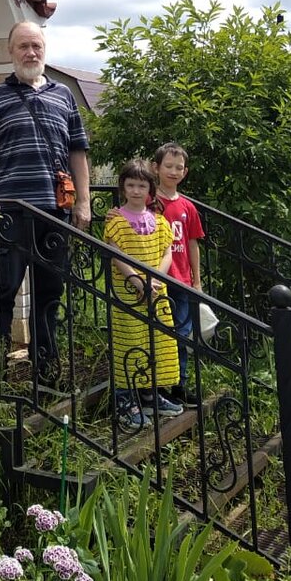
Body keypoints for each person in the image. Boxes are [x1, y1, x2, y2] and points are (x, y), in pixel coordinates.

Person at [0, 21, 91, 385]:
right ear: (11, 51)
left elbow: (78, 152)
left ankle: (47, 374)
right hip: (9, 214)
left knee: (49, 294)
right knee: (1, 293)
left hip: (54, 213)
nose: (31, 53)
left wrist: (83, 203)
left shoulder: (64, 96)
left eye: (36, 46)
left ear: (45, 49)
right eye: (23, 46)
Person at [104, 159, 183, 430]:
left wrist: (156, 279)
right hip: (129, 294)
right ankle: (126, 400)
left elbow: (166, 252)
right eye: (131, 185)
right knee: (130, 344)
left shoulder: (159, 222)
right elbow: (116, 253)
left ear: (150, 187)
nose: (136, 191)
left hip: (156, 293)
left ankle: (150, 393)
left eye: (141, 185)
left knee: (157, 343)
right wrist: (137, 281)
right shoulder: (116, 222)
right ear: (123, 187)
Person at [151, 142, 205, 407]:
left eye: (179, 168)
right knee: (158, 333)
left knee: (182, 334)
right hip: (157, 280)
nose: (173, 171)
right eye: (168, 166)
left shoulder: (187, 207)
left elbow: (193, 243)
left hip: (182, 279)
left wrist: (197, 280)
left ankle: (178, 384)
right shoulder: (149, 202)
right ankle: (157, 384)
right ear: (156, 168)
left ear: (185, 172)